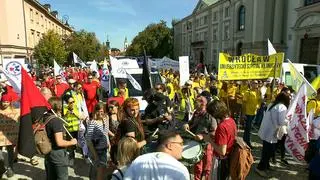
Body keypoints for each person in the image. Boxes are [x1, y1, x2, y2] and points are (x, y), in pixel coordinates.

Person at [124, 130, 190, 180]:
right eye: (181, 143)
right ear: (170, 145)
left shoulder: (138, 160)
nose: (182, 147)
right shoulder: (179, 169)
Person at [183, 91, 217, 180]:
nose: (193, 104)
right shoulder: (196, 113)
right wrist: (187, 124)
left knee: (207, 168)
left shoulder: (211, 116)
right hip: (197, 143)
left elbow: (215, 132)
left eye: (195, 102)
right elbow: (191, 123)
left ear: (202, 104)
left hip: (207, 145)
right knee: (197, 167)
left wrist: (203, 136)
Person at [255, 92, 290, 178]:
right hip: (272, 132)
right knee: (268, 151)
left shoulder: (272, 104)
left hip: (267, 130)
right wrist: (288, 120)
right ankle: (260, 168)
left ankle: (266, 165)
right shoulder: (282, 107)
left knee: (266, 149)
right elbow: (281, 122)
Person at [44, 97, 78, 180]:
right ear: (59, 106)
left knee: (51, 176)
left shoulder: (45, 117)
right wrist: (72, 142)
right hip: (57, 153)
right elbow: (60, 142)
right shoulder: (56, 121)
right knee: (62, 177)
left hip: (48, 151)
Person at [205, 100, 237, 180]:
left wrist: (210, 140)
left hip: (221, 161)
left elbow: (222, 151)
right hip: (229, 157)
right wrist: (216, 136)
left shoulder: (222, 126)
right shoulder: (231, 120)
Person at [86, 103, 110, 180]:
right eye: (98, 111)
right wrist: (95, 154)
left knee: (102, 169)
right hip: (96, 149)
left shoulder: (106, 119)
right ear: (95, 111)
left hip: (104, 149)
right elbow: (88, 140)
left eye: (102, 111)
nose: (100, 113)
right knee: (95, 169)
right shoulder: (93, 122)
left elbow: (106, 133)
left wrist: (108, 144)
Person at [0, 94, 20, 177]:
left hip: (10, 136)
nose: (5, 103)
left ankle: (10, 168)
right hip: (1, 136)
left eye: (7, 102)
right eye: (3, 101)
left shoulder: (15, 110)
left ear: (10, 102)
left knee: (10, 152)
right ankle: (1, 168)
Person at [242, 80, 262, 148]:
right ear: (251, 84)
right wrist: (243, 113)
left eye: (257, 83)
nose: (256, 85)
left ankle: (245, 140)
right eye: (254, 83)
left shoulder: (258, 92)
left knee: (249, 128)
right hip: (248, 113)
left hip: (254, 113)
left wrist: (258, 106)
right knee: (248, 128)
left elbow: (259, 100)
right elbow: (244, 103)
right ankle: (247, 142)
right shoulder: (247, 92)